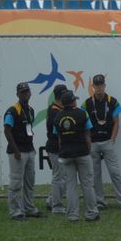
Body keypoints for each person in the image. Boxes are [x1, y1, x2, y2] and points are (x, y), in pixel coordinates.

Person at [83, 74, 121, 211]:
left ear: (105, 85)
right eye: (96, 85)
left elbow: (116, 122)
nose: (99, 88)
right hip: (93, 143)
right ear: (93, 86)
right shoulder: (86, 103)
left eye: (101, 85)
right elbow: (84, 125)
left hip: (107, 142)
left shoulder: (112, 101)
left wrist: (112, 139)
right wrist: (88, 142)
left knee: (115, 173)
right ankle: (99, 202)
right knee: (95, 174)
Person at [54, 90, 100, 222]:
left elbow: (59, 138)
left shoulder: (58, 116)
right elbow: (87, 135)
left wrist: (63, 150)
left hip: (66, 154)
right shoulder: (82, 113)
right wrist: (88, 150)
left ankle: (72, 215)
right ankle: (91, 213)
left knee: (71, 186)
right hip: (82, 153)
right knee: (87, 184)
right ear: (73, 101)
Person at [3, 82, 43, 221]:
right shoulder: (12, 110)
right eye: (22, 92)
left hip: (29, 150)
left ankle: (29, 208)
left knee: (29, 181)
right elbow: (7, 130)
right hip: (17, 152)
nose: (25, 94)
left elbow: (28, 129)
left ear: (30, 93)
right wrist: (15, 150)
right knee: (16, 182)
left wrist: (31, 149)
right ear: (17, 94)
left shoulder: (30, 110)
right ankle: (15, 211)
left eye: (27, 91)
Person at [45, 84, 67, 214]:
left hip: (58, 148)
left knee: (61, 177)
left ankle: (51, 200)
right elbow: (55, 133)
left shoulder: (56, 109)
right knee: (58, 177)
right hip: (55, 148)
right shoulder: (54, 111)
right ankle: (56, 206)